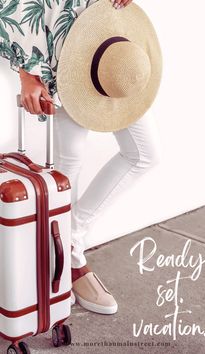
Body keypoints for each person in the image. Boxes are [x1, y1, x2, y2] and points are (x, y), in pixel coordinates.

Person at [0, 0, 161, 314]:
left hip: (108, 51)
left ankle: (68, 244)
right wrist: (26, 73)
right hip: (65, 56)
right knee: (68, 165)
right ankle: (65, 263)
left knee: (145, 153)